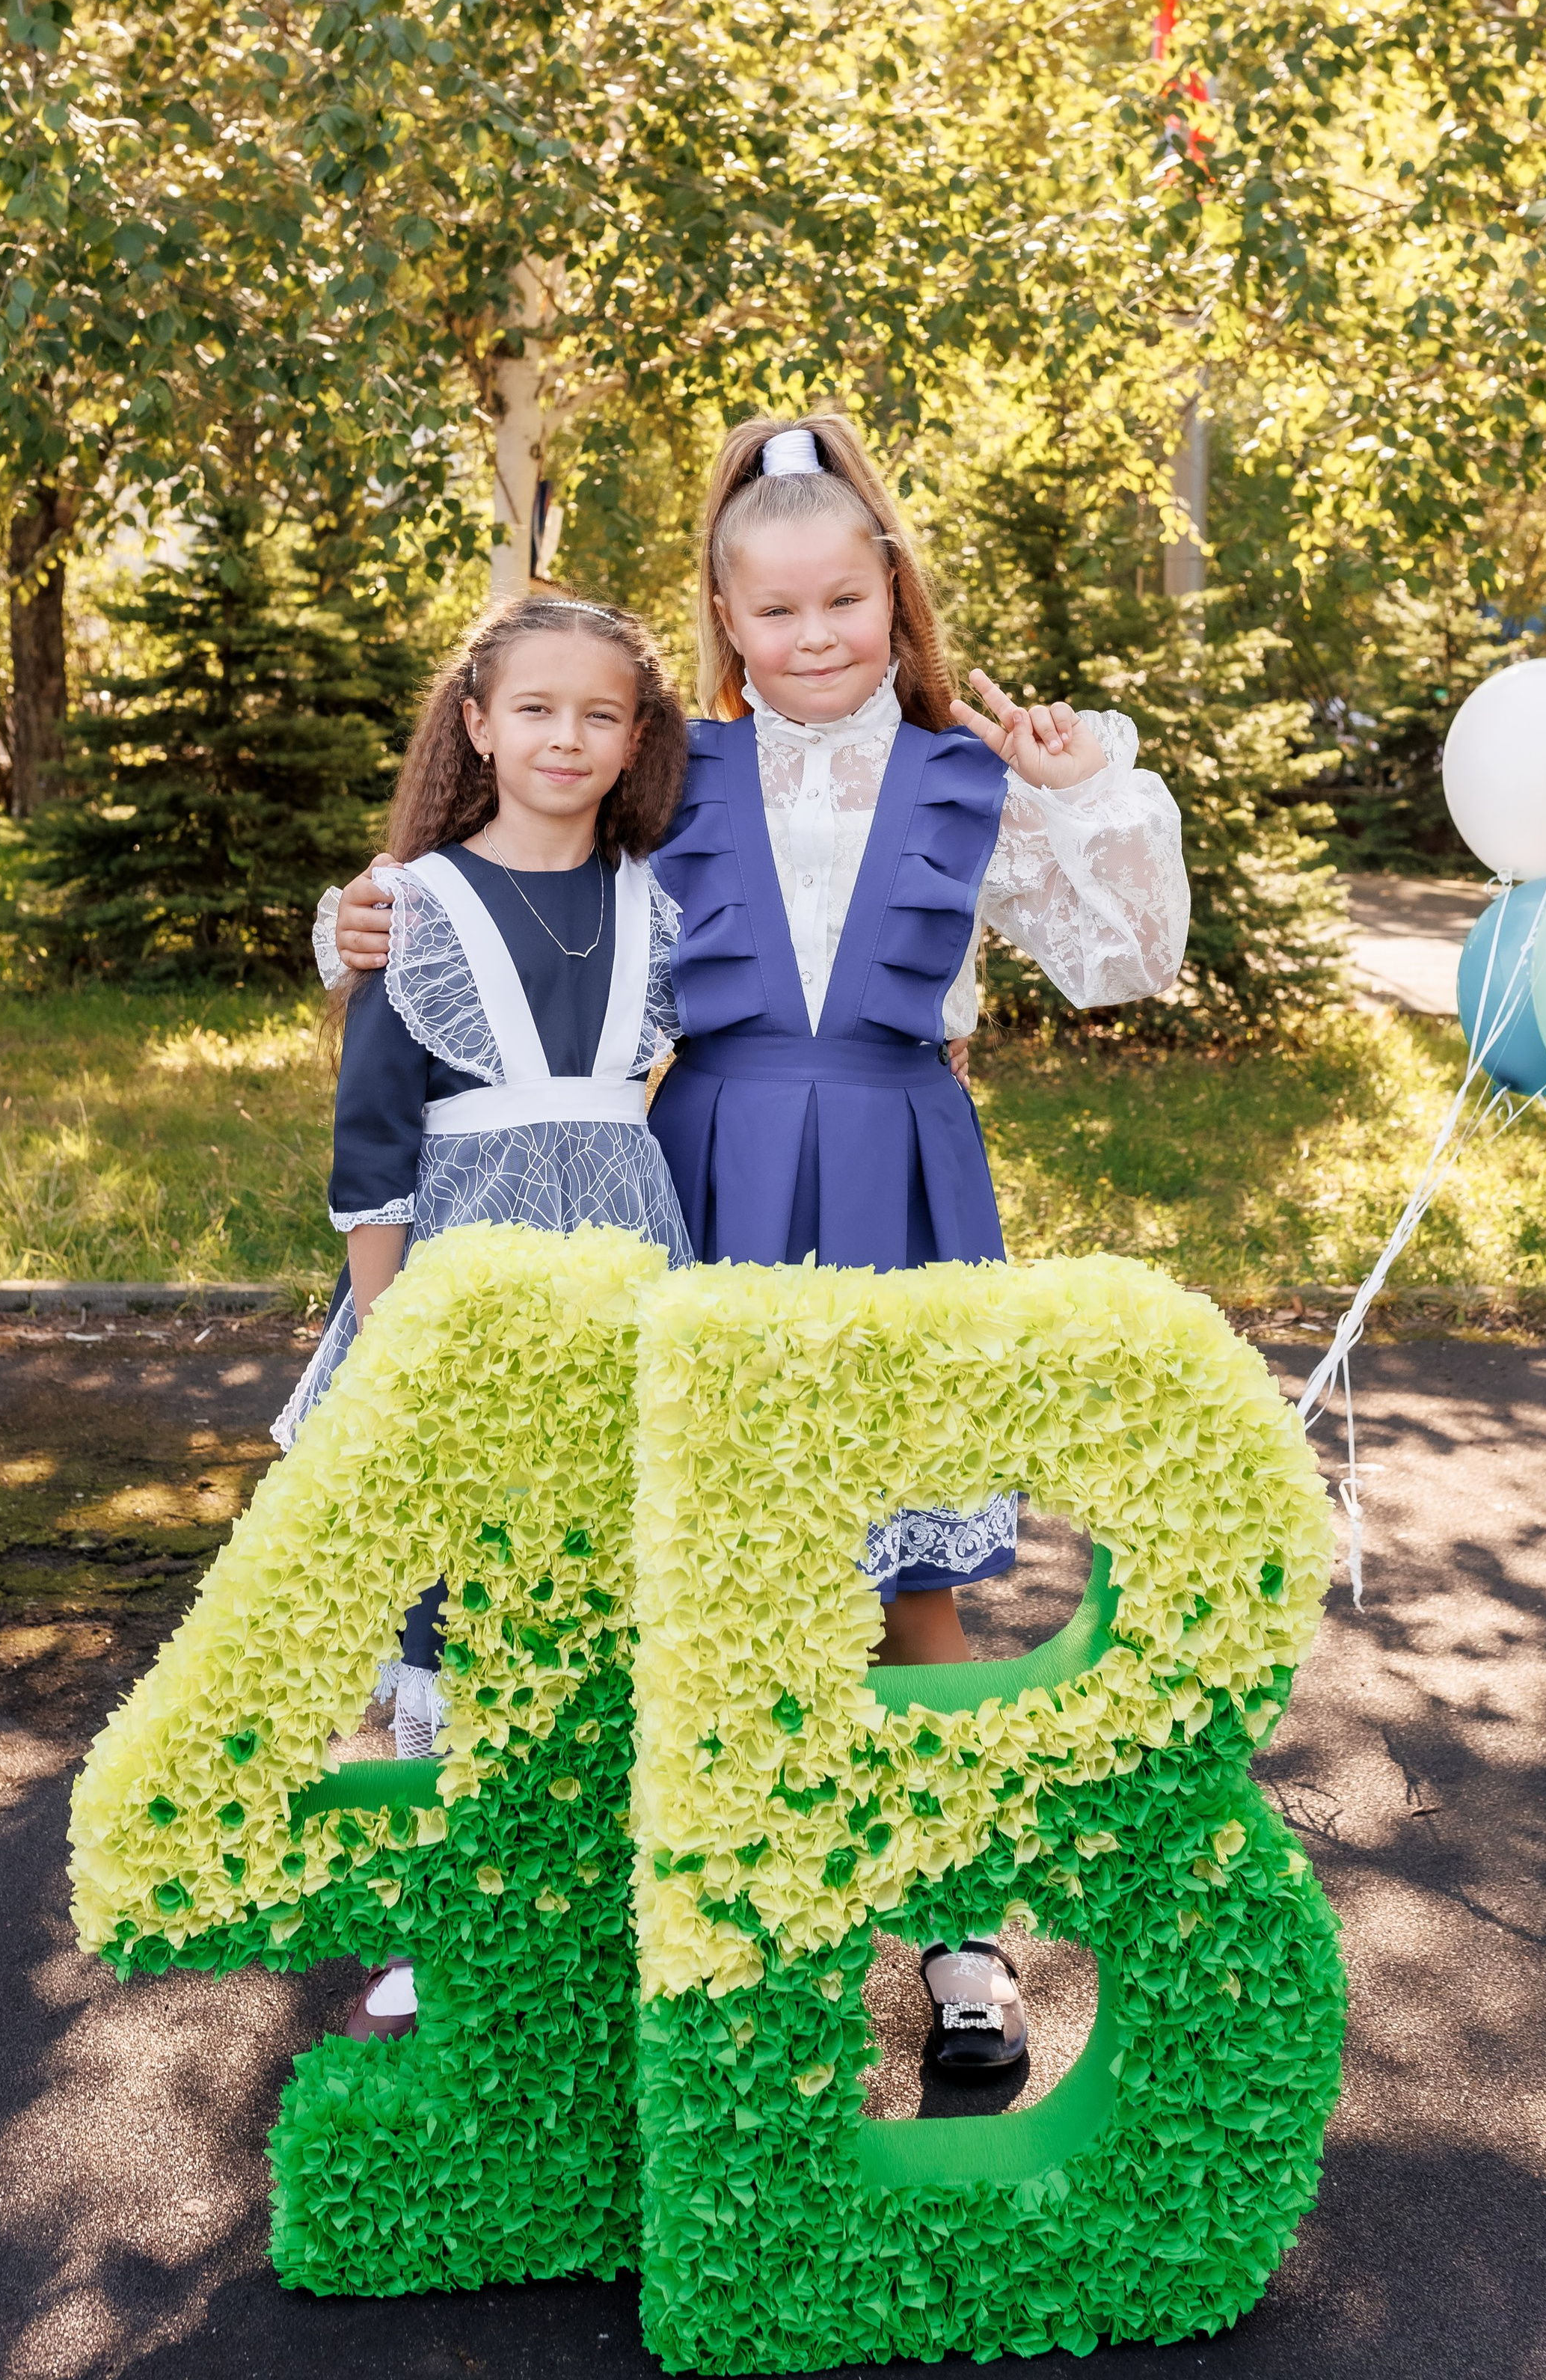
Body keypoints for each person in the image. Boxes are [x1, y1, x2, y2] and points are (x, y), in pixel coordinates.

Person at [331, 414, 1189, 2075]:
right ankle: (694, 1918)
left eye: (839, 604)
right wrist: (358, 923)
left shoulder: (973, 769)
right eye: (771, 613)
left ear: (891, 590)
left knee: (913, 1584)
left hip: (902, 1176)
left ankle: (957, 1944)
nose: (810, 640)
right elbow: (520, 891)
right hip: (701, 1180)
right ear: (724, 622)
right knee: (687, 1578)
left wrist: (1087, 784)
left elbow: (1126, 963)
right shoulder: (671, 779)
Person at [294, 591, 693, 2039]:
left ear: (634, 734)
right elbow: (371, 1138)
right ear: (476, 723)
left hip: (628, 1262)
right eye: (534, 708)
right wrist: (389, 1329)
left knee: (605, 1575)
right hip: (455, 1278)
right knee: (444, 1591)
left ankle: (591, 1897)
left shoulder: (657, 896)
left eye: (600, 712)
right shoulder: (415, 902)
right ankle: (435, 1908)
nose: (565, 737)